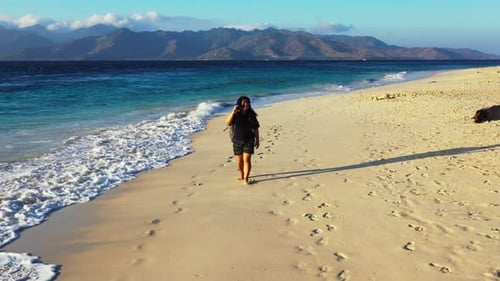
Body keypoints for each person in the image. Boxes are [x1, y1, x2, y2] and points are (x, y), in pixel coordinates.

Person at [226, 96, 260, 185]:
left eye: (247, 102)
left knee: (247, 160)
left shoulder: (251, 115)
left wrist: (258, 139)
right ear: (239, 104)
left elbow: (256, 128)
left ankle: (246, 178)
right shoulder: (236, 114)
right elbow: (228, 122)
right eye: (244, 102)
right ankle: (241, 174)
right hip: (237, 140)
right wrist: (233, 112)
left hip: (249, 140)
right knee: (239, 161)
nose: (246, 104)